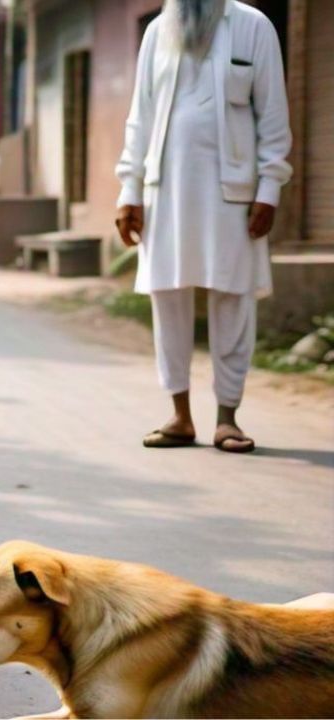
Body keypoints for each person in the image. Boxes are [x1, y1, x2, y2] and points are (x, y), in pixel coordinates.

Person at [115, 0, 291, 453]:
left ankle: (227, 418)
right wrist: (129, 191)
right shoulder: (158, 31)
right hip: (164, 193)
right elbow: (141, 116)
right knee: (167, 297)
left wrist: (269, 189)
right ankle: (180, 415)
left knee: (233, 298)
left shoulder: (253, 27)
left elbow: (272, 116)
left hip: (232, 192)